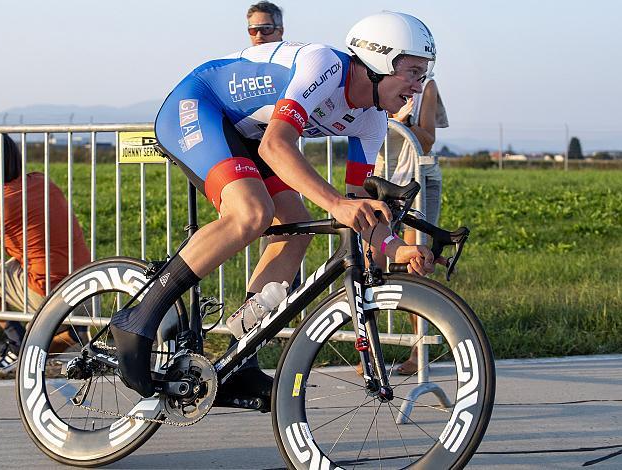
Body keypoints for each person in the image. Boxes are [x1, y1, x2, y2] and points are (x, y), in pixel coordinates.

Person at [110, 11, 443, 401]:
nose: (418, 88)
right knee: (251, 213)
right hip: (200, 104)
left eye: (423, 76)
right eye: (412, 73)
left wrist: (395, 247)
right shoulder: (325, 66)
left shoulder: (371, 122)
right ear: (378, 60)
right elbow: (275, 146)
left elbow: (358, 208)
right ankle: (139, 317)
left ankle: (240, 361)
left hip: (250, 132)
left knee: (296, 229)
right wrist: (335, 202)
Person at [0, 134, 91, 376]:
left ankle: (16, 343)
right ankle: (67, 335)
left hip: (46, 291)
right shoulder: (43, 182)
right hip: (85, 286)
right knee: (17, 261)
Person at [374, 75, 449, 375]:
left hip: (417, 179)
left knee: (412, 261)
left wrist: (398, 122)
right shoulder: (372, 83)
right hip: (382, 178)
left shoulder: (426, 86)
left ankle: (419, 349)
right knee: (373, 262)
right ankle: (370, 349)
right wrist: (391, 118)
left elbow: (427, 138)